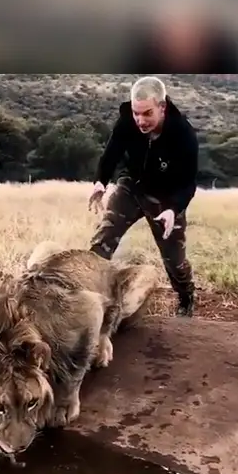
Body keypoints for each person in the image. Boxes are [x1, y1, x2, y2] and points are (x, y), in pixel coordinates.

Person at [88, 76, 198, 317]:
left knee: (174, 260)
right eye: (137, 113)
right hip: (131, 187)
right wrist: (100, 182)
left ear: (162, 106)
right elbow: (111, 154)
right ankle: (91, 299)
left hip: (166, 198)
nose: (140, 120)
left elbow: (188, 183)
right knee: (102, 241)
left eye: (147, 113)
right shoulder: (127, 120)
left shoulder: (183, 134)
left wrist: (173, 209)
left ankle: (186, 297)